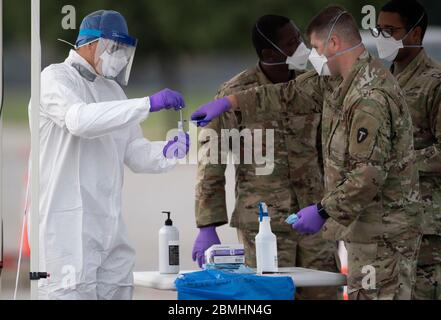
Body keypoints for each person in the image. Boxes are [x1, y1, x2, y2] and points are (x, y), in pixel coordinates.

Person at [191, 6, 422, 300]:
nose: (308, 53)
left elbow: (367, 174)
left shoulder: (367, 97)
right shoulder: (339, 81)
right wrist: (230, 102)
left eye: (313, 45)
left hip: (374, 230)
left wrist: (324, 210)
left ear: (334, 44)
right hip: (274, 223)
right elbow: (288, 94)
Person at [31, 10, 189, 300]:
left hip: (109, 227)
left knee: (118, 291)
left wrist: (167, 151)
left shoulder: (113, 91)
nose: (119, 57)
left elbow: (133, 151)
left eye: (123, 51)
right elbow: (78, 121)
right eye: (114, 48)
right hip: (65, 228)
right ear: (90, 44)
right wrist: (147, 104)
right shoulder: (54, 79)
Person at [192, 15, 339, 300]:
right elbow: (211, 163)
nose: (301, 47)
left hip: (313, 218)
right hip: (263, 224)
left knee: (324, 293)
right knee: (268, 297)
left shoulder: (313, 86)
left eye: (299, 37)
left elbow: (328, 150)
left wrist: (333, 209)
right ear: (270, 52)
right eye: (292, 42)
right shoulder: (233, 93)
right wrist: (207, 225)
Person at [374, 0, 441, 300]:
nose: (382, 37)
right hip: (383, 222)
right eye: (378, 30)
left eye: (390, 30)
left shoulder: (435, 84)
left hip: (424, 224)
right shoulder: (380, 81)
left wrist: (396, 163)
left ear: (415, 34)